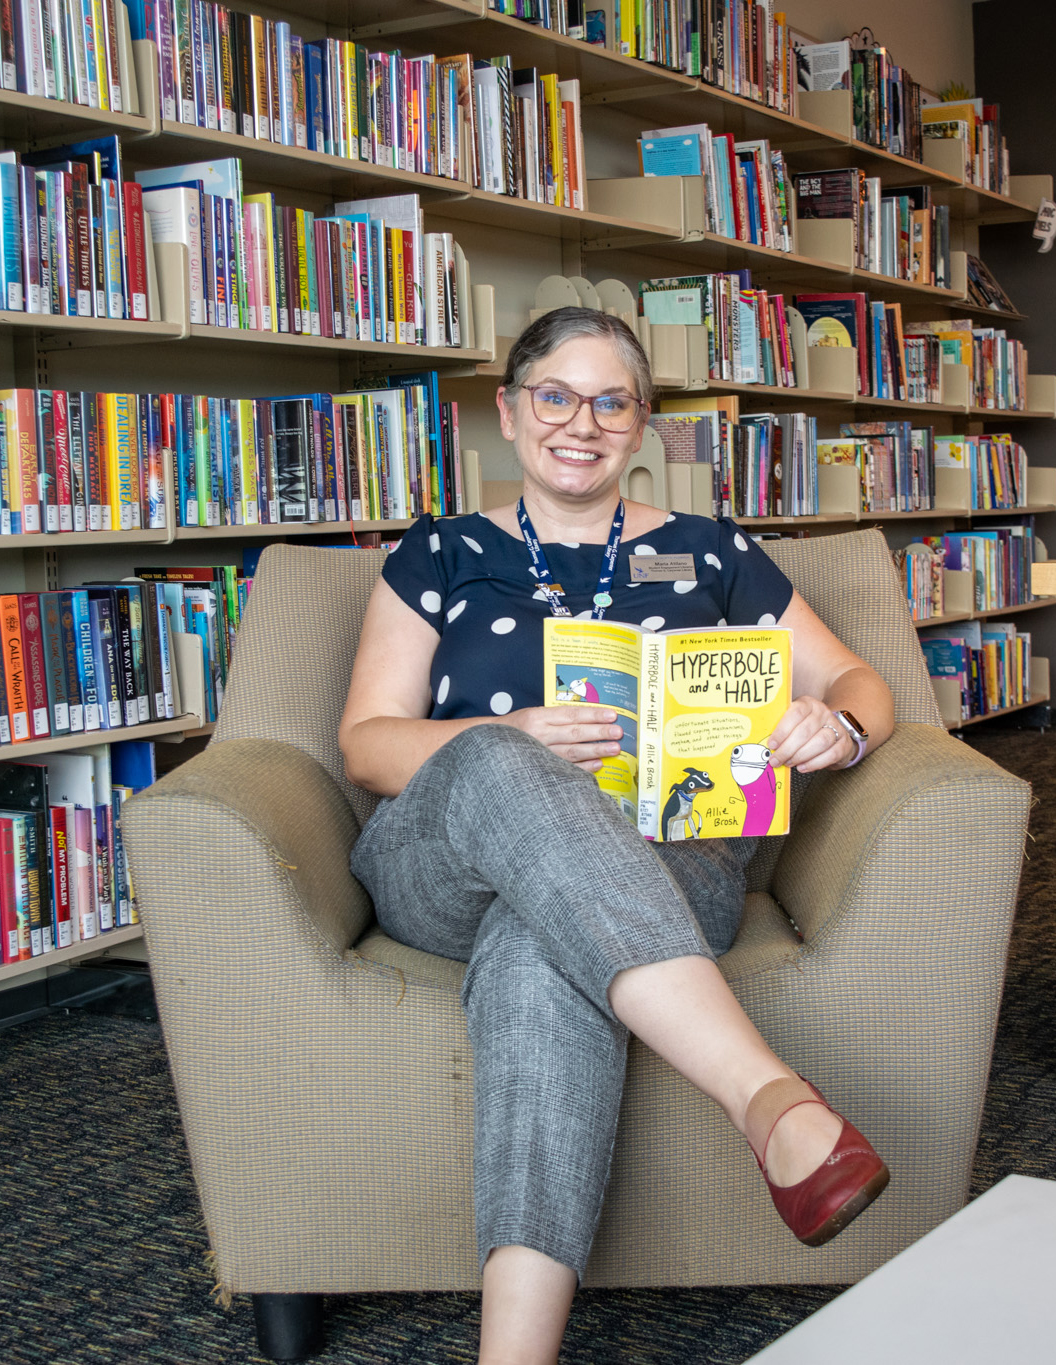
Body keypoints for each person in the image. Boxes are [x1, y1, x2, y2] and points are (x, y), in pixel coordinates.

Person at [340, 308, 895, 1364]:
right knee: (508, 764)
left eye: (611, 401)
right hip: (445, 862)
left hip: (666, 856)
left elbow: (856, 680)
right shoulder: (442, 551)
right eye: (555, 395)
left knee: (540, 951)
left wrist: (843, 723)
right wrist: (504, 735)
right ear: (508, 412)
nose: (580, 423)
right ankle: (767, 1099)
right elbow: (367, 745)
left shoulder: (711, 550)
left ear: (643, 425)